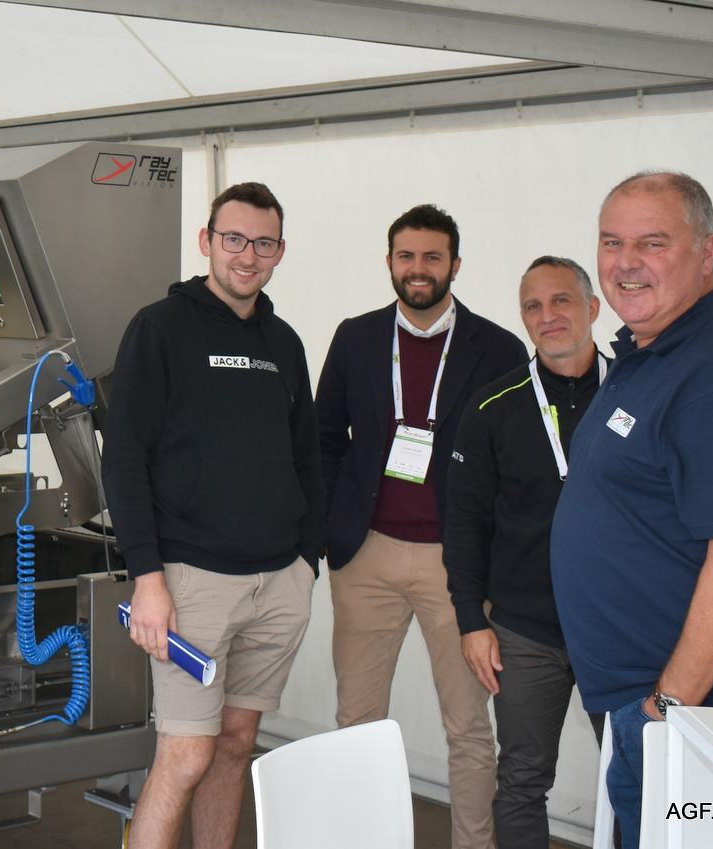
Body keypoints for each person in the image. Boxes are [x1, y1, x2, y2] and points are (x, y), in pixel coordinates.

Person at [102, 182, 323, 849]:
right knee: (185, 755)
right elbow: (125, 459)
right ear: (206, 241)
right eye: (234, 239)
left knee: (235, 743)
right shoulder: (159, 329)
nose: (247, 255)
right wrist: (147, 578)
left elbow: (307, 457)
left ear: (280, 251)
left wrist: (306, 563)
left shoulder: (284, 342)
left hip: (278, 582)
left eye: (263, 243)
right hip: (191, 583)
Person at [551, 172, 713, 848]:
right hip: (652, 703)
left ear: (708, 251)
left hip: (698, 711)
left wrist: (666, 709)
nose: (625, 263)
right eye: (612, 242)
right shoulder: (650, 351)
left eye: (653, 243)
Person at [315, 203, 525, 849]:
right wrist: (331, 525)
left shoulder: (499, 348)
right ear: (389, 262)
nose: (418, 268)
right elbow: (324, 438)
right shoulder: (356, 337)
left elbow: (512, 463)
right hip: (367, 555)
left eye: (433, 257)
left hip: (455, 566)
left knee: (469, 728)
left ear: (455, 265)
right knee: (356, 721)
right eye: (406, 256)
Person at [444, 256, 608, 848]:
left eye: (562, 300)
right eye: (533, 306)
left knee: (638, 775)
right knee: (520, 782)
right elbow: (464, 523)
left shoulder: (637, 392)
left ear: (593, 308)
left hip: (618, 629)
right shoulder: (492, 407)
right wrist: (471, 621)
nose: (548, 315)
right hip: (525, 631)